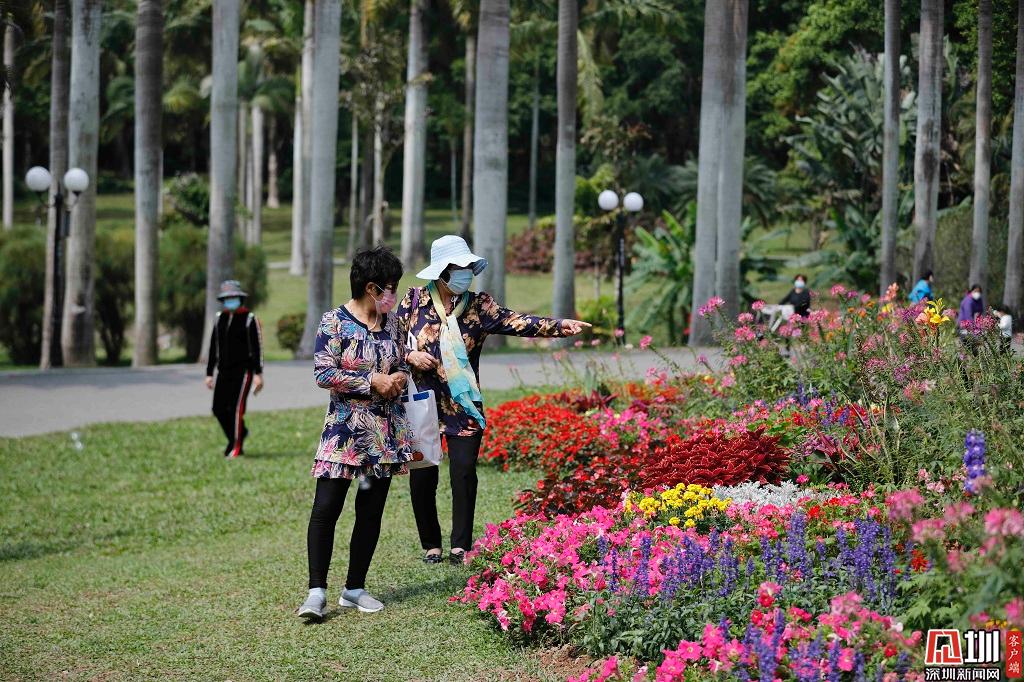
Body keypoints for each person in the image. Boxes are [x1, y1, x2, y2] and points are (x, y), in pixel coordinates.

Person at [396, 235, 591, 566]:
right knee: (423, 474)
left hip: (464, 406)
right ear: (442, 271)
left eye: (468, 267)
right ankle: (431, 544)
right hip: (422, 404)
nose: (466, 273)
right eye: (459, 267)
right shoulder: (413, 302)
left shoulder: (479, 306)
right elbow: (390, 341)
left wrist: (560, 326)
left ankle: (460, 545)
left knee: (463, 472)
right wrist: (410, 355)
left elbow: (518, 322)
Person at [297, 247, 415, 621]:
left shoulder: (393, 324)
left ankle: (354, 588)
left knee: (370, 512)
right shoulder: (333, 322)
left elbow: (403, 364)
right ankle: (316, 592)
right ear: (370, 287)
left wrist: (398, 378)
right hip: (344, 433)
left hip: (384, 435)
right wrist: (371, 381)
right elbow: (323, 373)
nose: (393, 293)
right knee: (326, 509)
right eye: (389, 287)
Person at [205, 280, 264, 458]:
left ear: (240, 298)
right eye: (227, 298)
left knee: (236, 409)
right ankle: (238, 434)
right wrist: (209, 373)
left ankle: (236, 447)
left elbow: (257, 348)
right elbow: (213, 347)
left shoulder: (249, 319)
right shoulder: (219, 318)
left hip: (244, 372)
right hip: (223, 371)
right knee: (218, 409)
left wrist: (258, 374)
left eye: (233, 297)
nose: (230, 300)